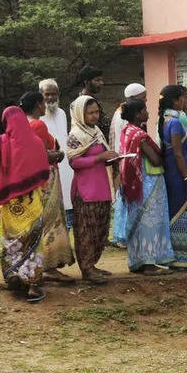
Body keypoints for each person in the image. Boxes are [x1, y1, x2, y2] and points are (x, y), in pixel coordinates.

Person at [0, 105, 51, 301]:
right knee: (33, 241)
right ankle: (32, 284)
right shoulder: (37, 143)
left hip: (9, 203)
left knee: (12, 241)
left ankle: (14, 275)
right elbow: (43, 173)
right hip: (32, 202)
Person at [21, 91, 75, 281]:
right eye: (42, 102)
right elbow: (43, 154)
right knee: (52, 221)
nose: (45, 106)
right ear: (38, 105)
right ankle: (50, 266)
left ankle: (42, 264)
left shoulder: (23, 124)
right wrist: (58, 155)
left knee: (41, 221)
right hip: (47, 178)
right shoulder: (38, 124)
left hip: (33, 179)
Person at [118, 99, 174, 275]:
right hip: (148, 182)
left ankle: (137, 261)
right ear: (137, 114)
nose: (147, 113)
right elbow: (155, 160)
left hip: (134, 183)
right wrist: (165, 153)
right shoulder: (139, 135)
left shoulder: (127, 131)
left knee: (139, 223)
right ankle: (149, 264)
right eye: (144, 110)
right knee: (149, 222)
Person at [66, 95, 116, 283]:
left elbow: (101, 157)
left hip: (101, 187)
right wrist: (99, 158)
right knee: (86, 231)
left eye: (96, 112)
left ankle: (93, 264)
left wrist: (111, 157)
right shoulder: (76, 135)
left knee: (99, 229)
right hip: (85, 190)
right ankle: (86, 269)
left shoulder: (95, 132)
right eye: (90, 112)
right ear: (81, 113)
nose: (95, 116)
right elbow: (74, 162)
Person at [158, 85, 187, 269]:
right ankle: (182, 258)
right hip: (179, 175)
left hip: (173, 173)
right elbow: (178, 153)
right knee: (181, 213)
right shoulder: (175, 123)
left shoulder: (166, 119)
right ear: (176, 100)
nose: (185, 102)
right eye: (183, 98)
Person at [109, 82, 148, 248]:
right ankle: (125, 234)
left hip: (124, 156)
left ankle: (122, 233)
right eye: (143, 98)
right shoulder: (124, 115)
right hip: (127, 157)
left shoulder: (120, 112)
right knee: (128, 196)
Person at [39, 78, 75, 218]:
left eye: (53, 94)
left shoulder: (62, 113)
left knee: (68, 201)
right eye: (47, 94)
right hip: (48, 164)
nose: (50, 97)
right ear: (41, 95)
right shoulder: (38, 117)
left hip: (65, 163)